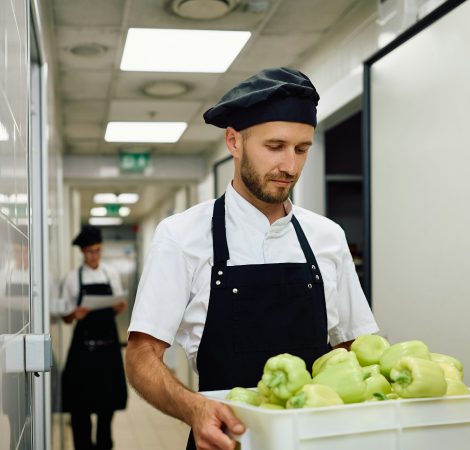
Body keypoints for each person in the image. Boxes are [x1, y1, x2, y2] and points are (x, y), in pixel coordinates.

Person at [126, 67, 379, 450]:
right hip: (225, 441)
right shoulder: (181, 237)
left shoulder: (327, 237)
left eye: (301, 149)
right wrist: (195, 409)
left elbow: (354, 346)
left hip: (314, 441)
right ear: (234, 141)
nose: (289, 167)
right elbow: (142, 355)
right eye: (275, 147)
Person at [61, 225, 128, 450]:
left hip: (108, 350)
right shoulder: (72, 279)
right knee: (80, 411)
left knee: (106, 410)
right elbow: (66, 318)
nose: (94, 256)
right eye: (90, 251)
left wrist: (119, 306)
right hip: (83, 352)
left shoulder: (111, 273)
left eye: (98, 250)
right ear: (82, 252)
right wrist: (75, 313)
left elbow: (119, 304)